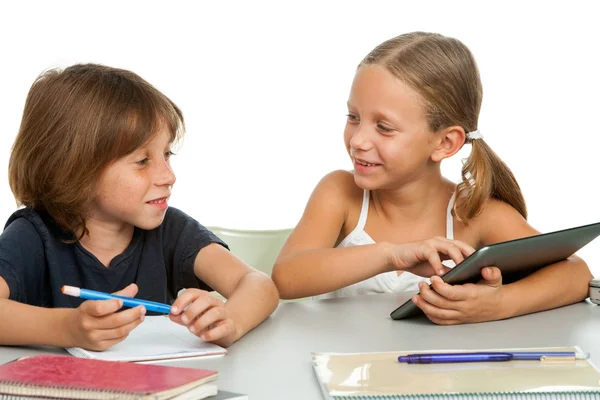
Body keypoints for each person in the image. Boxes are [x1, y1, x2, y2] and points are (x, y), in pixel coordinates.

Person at [271, 32, 592, 324]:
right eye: (353, 117)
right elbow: (286, 278)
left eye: (384, 127)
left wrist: (500, 304)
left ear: (444, 143)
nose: (357, 140)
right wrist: (391, 254)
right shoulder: (340, 193)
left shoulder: (476, 214)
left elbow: (577, 274)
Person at [0, 63, 279, 350]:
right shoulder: (33, 236)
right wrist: (67, 329)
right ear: (72, 168)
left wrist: (230, 320)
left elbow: (258, 284)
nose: (168, 176)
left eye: (166, 154)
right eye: (142, 161)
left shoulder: (170, 229)